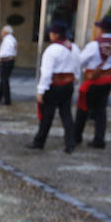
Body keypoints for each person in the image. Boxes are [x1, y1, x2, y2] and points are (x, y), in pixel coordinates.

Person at [27, 21, 80, 153]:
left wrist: (41, 90)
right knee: (66, 114)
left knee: (47, 116)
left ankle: (39, 141)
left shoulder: (52, 50)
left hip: (54, 86)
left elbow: (46, 73)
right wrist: (74, 82)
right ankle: (70, 143)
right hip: (68, 85)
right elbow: (77, 68)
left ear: (55, 34)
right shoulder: (74, 48)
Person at [75, 15, 111, 149]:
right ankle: (99, 139)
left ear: (101, 29)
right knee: (101, 111)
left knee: (83, 109)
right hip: (108, 79)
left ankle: (76, 136)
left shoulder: (94, 45)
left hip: (94, 80)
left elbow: (80, 61)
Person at [0, 24, 16, 105]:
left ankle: (7, 100)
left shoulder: (7, 40)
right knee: (3, 80)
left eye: (2, 31)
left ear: (5, 32)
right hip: (8, 61)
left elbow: (4, 54)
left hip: (6, 62)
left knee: (4, 81)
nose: (1, 33)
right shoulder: (11, 39)